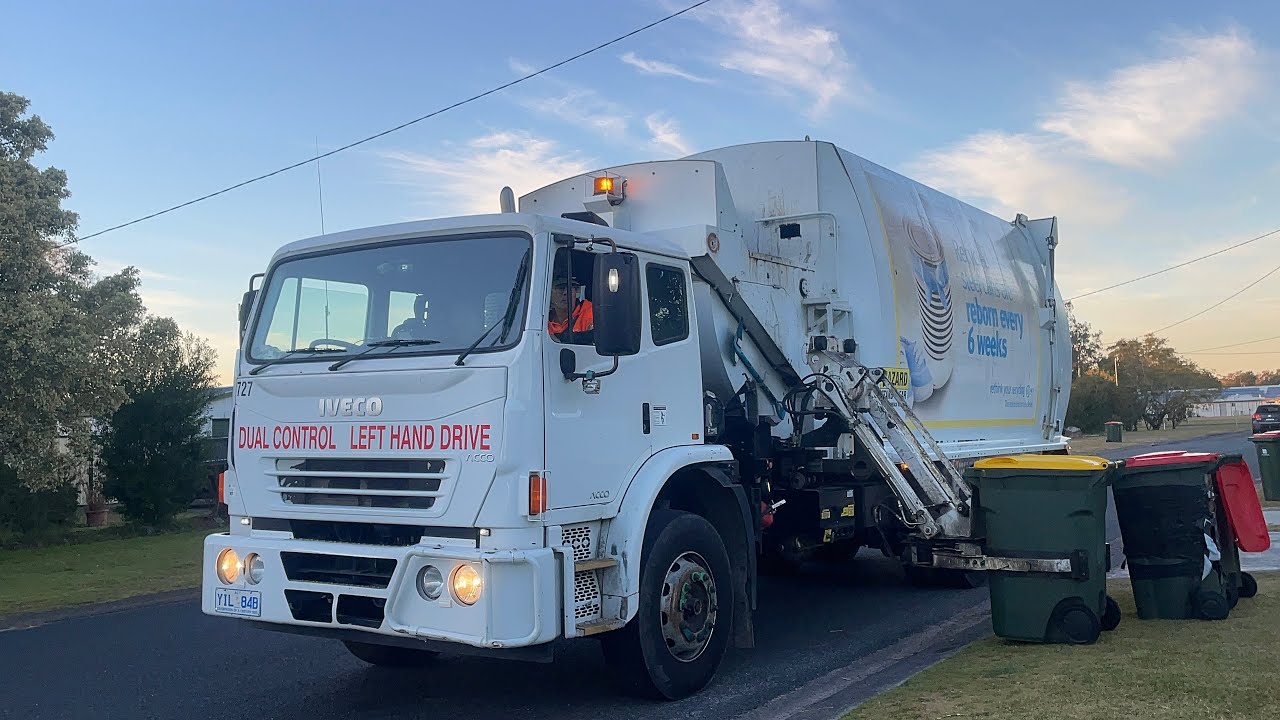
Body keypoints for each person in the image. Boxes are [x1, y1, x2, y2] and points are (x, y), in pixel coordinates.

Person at [548, 275, 593, 339]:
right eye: (560, 288)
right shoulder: (541, 320)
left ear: (576, 292)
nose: (565, 292)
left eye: (570, 287)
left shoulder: (592, 312)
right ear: (549, 294)